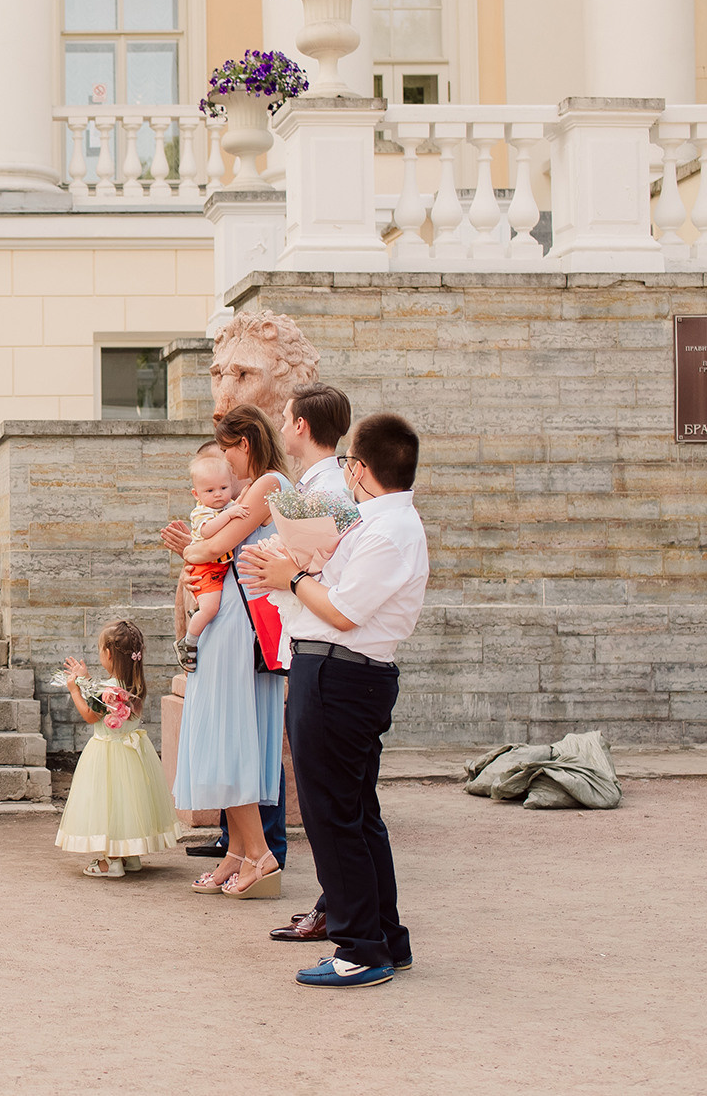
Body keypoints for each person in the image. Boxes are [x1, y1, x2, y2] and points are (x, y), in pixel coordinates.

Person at [241, 413, 428, 989]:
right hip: (338, 672)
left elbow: (345, 611)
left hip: (342, 677)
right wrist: (297, 565)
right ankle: (384, 937)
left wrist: (289, 580)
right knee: (356, 814)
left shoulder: (389, 530)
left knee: (333, 817)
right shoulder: (374, 522)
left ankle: (360, 949)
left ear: (361, 468)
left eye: (350, 464)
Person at [161, 404, 292, 899]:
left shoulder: (267, 484)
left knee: (226, 732)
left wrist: (194, 548)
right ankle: (238, 853)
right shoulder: (247, 490)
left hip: (238, 616)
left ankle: (260, 855)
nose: (224, 461)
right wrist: (197, 547)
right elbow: (205, 548)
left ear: (246, 444)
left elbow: (209, 549)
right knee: (226, 731)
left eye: (227, 448)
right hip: (234, 611)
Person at [265, 382, 353, 945]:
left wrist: (286, 565)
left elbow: (329, 562)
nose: (282, 423)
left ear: (300, 426)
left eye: (286, 416)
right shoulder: (316, 483)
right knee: (325, 796)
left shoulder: (331, 487)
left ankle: (337, 908)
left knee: (329, 798)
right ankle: (333, 902)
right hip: (308, 635)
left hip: (323, 640)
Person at [53, 620, 180, 877]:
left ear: (108, 654)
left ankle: (110, 861)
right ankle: (129, 855)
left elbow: (90, 714)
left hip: (107, 755)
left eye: (100, 649)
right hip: (132, 755)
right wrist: (87, 679)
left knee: (108, 805)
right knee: (127, 803)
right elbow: (106, 699)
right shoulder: (134, 685)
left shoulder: (107, 690)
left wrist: (74, 689)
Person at [178, 454, 247, 668]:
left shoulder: (229, 505)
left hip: (219, 566)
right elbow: (207, 532)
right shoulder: (202, 512)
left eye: (224, 488)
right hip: (206, 567)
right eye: (210, 491)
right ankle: (188, 641)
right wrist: (229, 515)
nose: (218, 495)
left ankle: (197, 615)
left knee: (210, 606)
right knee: (211, 609)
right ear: (196, 494)